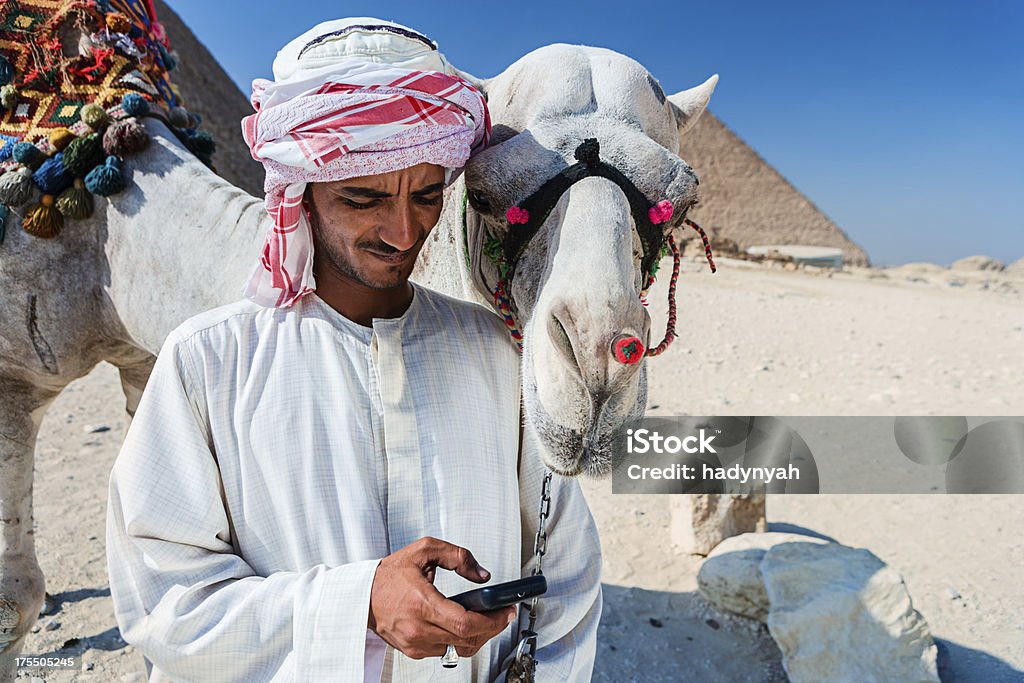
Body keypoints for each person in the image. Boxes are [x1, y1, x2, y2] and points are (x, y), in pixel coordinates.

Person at [105, 17, 602, 683]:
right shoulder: (208, 363)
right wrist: (357, 605)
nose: (404, 230)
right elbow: (164, 602)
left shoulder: (496, 353)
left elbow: (566, 574)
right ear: (299, 193)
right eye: (363, 197)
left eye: (427, 195)